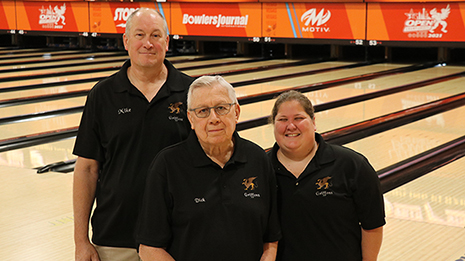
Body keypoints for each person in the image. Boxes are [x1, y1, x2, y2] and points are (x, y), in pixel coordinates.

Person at [73, 8, 195, 261]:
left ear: (167, 42)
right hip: (115, 238)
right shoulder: (103, 95)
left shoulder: (191, 92)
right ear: (126, 41)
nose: (148, 43)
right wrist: (81, 240)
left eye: (156, 35)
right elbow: (86, 169)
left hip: (178, 237)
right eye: (139, 35)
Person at [137, 75, 281, 261]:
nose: (214, 119)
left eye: (221, 108)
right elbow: (148, 247)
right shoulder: (167, 166)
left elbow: (271, 238)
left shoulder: (258, 159)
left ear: (236, 112)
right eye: (203, 111)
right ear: (190, 119)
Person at [268, 90, 385, 261]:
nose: (291, 126)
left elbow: (372, 225)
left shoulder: (352, 165)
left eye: (299, 118)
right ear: (274, 124)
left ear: (313, 122)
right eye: (283, 119)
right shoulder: (262, 169)